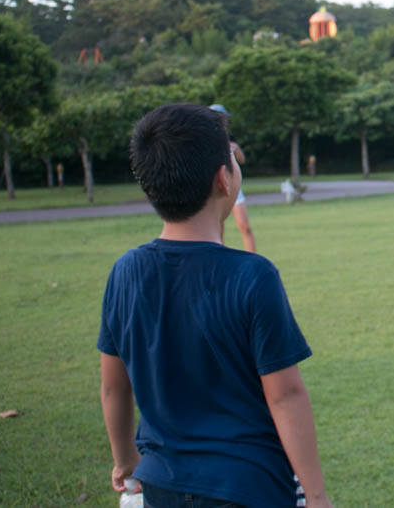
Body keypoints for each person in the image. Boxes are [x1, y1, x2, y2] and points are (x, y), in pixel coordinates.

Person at [98, 103, 331, 507]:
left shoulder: (125, 271)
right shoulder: (253, 275)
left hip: (162, 485)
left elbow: (114, 386)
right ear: (224, 178)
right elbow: (285, 396)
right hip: (249, 486)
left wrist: (124, 460)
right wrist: (316, 495)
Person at [209, 104, 257, 253]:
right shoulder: (205, 139)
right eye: (222, 119)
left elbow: (241, 160)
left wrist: (235, 149)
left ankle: (252, 260)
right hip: (215, 188)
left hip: (233, 186)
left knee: (244, 225)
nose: (225, 122)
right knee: (218, 230)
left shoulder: (230, 138)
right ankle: (219, 262)